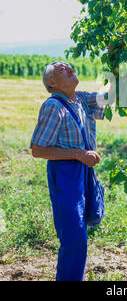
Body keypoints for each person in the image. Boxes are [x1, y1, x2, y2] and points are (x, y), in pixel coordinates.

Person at [30, 61, 114, 281]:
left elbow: (111, 97)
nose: (68, 69)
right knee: (74, 238)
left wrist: (118, 67)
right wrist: (78, 154)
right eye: (61, 69)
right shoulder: (53, 106)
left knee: (84, 226)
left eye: (69, 67)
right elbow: (38, 150)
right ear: (52, 82)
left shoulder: (81, 100)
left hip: (83, 170)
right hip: (66, 173)